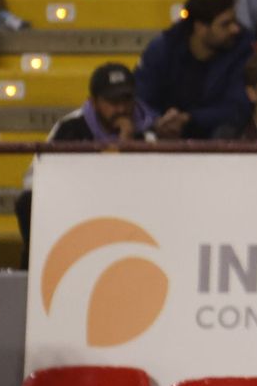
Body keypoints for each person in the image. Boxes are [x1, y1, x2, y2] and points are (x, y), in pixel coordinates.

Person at [12, 60, 164, 250]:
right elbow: (33, 179)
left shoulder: (146, 134)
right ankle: (32, 275)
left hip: (126, 210)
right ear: (93, 102)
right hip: (73, 205)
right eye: (112, 102)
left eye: (126, 100)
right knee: (28, 202)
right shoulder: (70, 127)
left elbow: (155, 189)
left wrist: (126, 144)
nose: (121, 109)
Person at [133, 0, 253, 140]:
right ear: (200, 27)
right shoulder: (163, 49)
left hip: (217, 137)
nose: (235, 29)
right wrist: (158, 122)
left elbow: (238, 107)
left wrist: (189, 118)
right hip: (164, 135)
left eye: (234, 22)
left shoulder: (242, 49)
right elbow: (141, 98)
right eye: (225, 24)